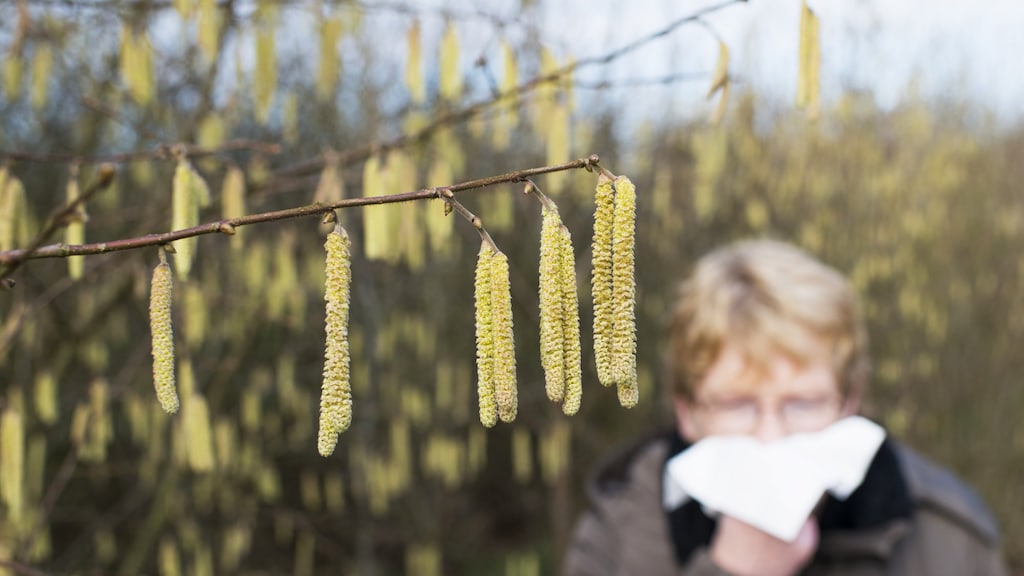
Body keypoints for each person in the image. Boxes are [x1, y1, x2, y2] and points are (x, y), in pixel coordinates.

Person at [562, 239, 1008, 576]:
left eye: (803, 404)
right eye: (737, 405)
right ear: (688, 412)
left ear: (849, 402)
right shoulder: (619, 533)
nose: (771, 437)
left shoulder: (948, 532)